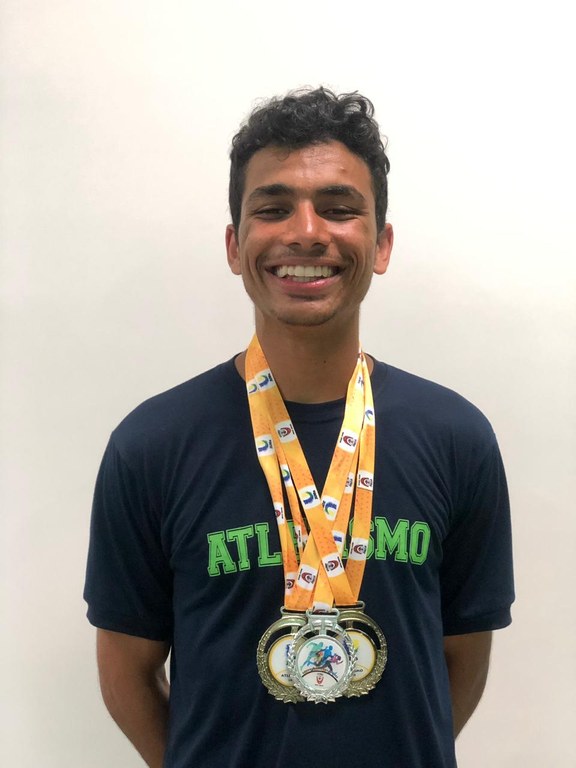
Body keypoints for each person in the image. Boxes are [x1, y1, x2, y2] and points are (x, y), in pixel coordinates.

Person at [84, 87, 514, 768]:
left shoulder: (457, 438)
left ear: (381, 244)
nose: (307, 231)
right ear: (235, 245)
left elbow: (461, 658)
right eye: (273, 208)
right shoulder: (151, 446)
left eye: (339, 209)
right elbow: (126, 672)